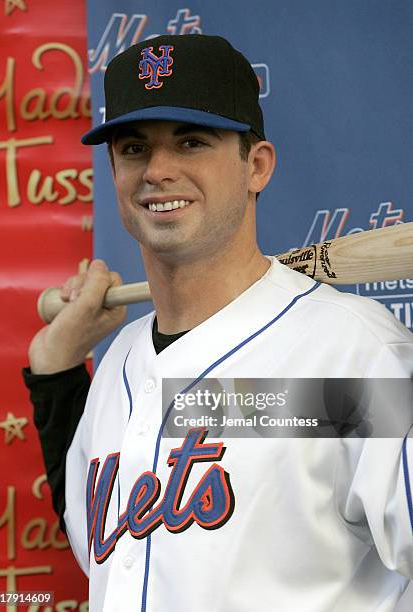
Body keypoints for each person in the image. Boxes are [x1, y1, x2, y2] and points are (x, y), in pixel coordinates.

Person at [23, 34, 413, 612]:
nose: (157, 170)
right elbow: (116, 567)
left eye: (191, 142)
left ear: (256, 165)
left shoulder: (356, 354)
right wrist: (56, 369)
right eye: (133, 149)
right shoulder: (119, 368)